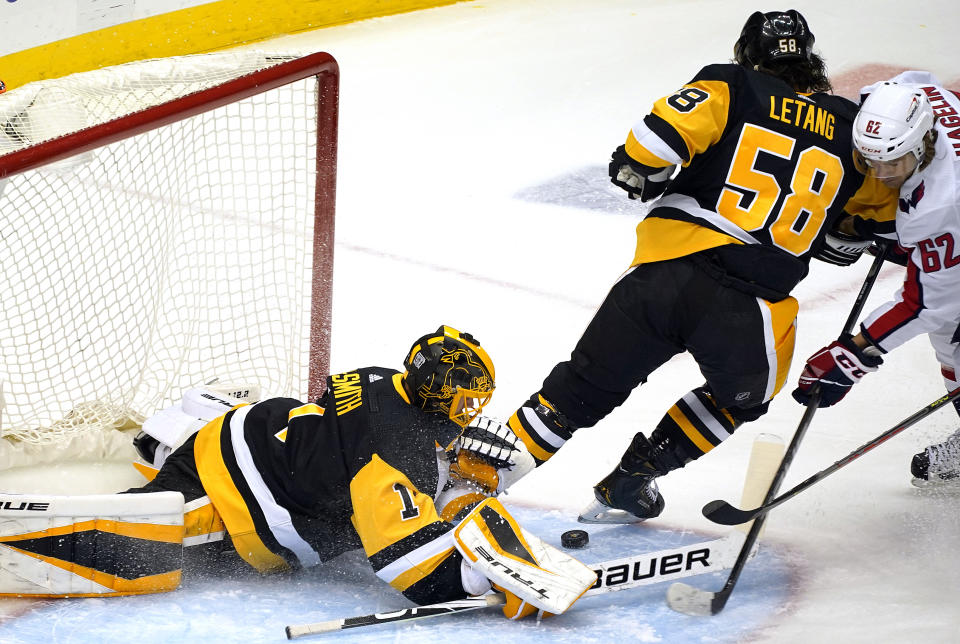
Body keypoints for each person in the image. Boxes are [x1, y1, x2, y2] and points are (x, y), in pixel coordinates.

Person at [501, 9, 898, 523]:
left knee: (580, 388)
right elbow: (871, 226)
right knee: (740, 400)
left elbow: (649, 150)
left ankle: (470, 484)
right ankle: (635, 477)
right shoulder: (849, 129)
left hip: (662, 276)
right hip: (749, 308)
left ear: (749, 56)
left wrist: (636, 170)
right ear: (811, 62)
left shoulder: (730, 84)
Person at [0, 325, 593, 619]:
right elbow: (406, 559)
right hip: (241, 506)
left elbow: (364, 446)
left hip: (231, 432)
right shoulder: (399, 451)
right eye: (468, 396)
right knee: (143, 540)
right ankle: (27, 540)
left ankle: (163, 436)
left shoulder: (383, 378)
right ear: (440, 390)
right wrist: (479, 584)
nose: (472, 410)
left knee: (253, 443)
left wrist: (444, 472)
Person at [792, 72, 960, 486]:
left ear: (921, 145)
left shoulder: (939, 206)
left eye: (892, 163)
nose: (880, 173)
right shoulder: (911, 97)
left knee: (952, 334)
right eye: (871, 160)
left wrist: (852, 355)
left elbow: (925, 306)